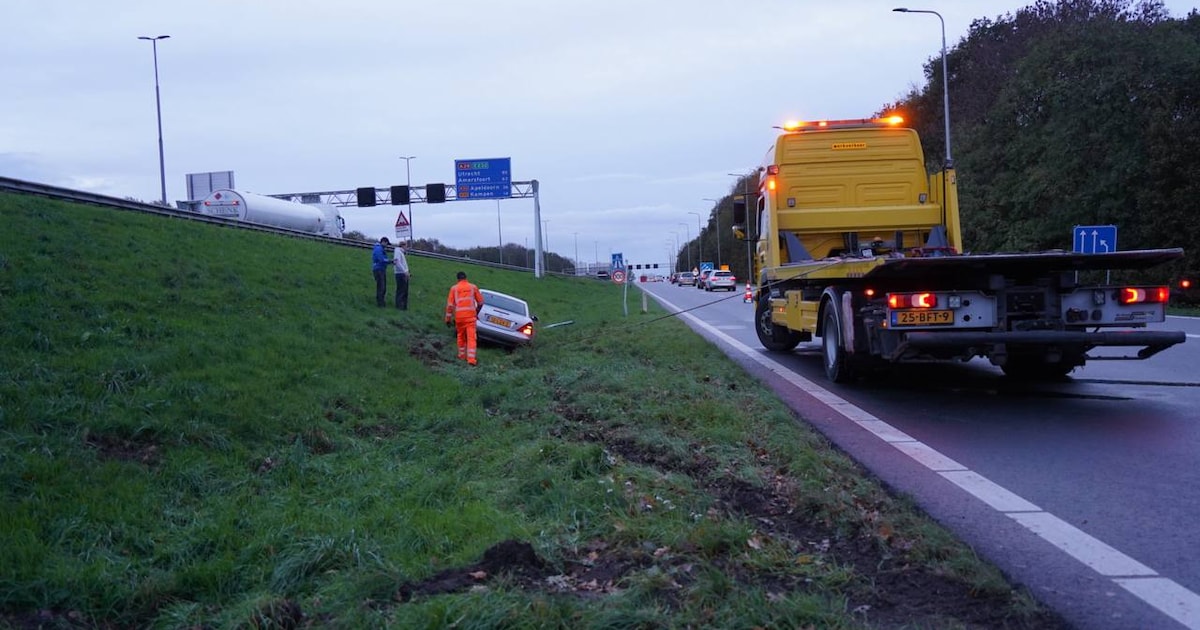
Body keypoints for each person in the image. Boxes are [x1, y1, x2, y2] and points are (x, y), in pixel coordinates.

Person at [444, 270, 484, 366]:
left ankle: (461, 356)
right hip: (470, 317)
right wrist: (476, 311)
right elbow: (481, 302)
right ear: (466, 278)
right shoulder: (473, 287)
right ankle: (471, 359)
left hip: (459, 318)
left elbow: (450, 306)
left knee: (461, 336)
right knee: (471, 338)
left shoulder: (454, 289)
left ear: (458, 279)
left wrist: (448, 320)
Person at [371, 237, 391, 307]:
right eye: (386, 244)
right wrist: (390, 261)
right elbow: (381, 259)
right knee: (381, 287)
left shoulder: (379, 249)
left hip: (381, 269)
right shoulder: (378, 249)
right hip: (379, 269)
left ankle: (381, 302)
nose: (387, 245)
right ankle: (380, 303)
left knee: (382, 286)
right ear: (383, 242)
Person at [393, 242, 410, 310]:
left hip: (402, 273)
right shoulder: (398, 252)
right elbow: (397, 262)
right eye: (406, 246)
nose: (406, 248)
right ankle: (400, 306)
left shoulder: (401, 252)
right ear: (402, 246)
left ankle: (403, 306)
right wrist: (405, 271)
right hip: (400, 274)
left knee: (404, 291)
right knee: (401, 291)